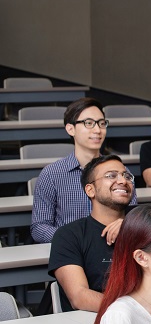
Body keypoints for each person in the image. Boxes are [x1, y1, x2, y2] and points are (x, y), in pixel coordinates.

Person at [31, 97, 137, 243]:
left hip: (113, 248)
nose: (97, 130)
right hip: (70, 252)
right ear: (70, 129)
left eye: (101, 123)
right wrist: (75, 239)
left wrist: (126, 225)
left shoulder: (122, 172)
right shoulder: (51, 174)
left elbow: (134, 216)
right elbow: (39, 227)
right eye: (89, 123)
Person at [48, 155, 135, 312]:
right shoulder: (68, 235)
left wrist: (133, 225)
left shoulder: (145, 223)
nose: (123, 181)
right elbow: (79, 297)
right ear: (90, 190)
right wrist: (135, 311)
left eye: (126, 175)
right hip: (94, 322)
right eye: (111, 175)